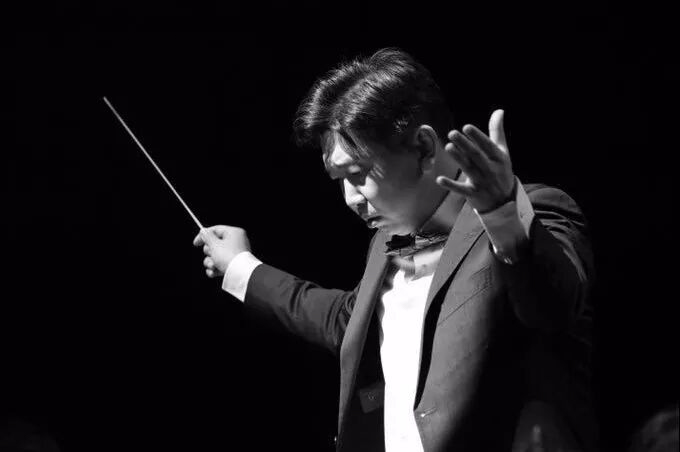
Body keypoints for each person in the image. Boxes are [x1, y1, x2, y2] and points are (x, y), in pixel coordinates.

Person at [193, 48, 597, 452]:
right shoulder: (383, 246)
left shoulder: (536, 210)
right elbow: (345, 320)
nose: (350, 198)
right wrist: (242, 267)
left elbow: (553, 309)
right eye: (338, 180)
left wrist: (502, 213)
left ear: (423, 148)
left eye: (357, 173)